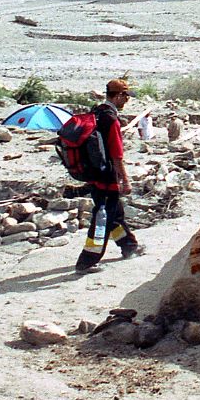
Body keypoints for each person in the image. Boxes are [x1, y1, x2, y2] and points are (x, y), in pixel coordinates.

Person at [75, 79, 143, 274]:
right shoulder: (111, 119)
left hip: (94, 174)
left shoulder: (96, 112)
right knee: (103, 217)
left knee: (115, 214)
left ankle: (129, 246)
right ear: (119, 95)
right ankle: (87, 260)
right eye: (126, 97)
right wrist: (125, 179)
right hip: (107, 176)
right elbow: (116, 154)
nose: (127, 101)